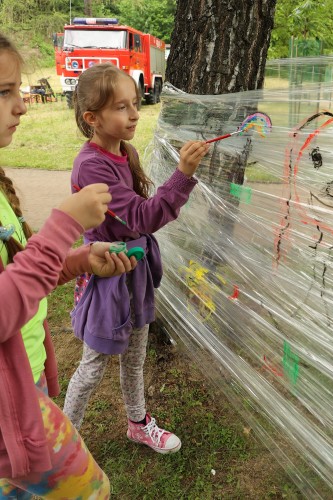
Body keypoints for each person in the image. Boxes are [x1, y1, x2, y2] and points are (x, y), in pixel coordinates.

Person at [0, 33, 137, 499]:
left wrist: (78, 260)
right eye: (4, 92)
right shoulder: (91, 163)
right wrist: (64, 225)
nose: (22, 106)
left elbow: (16, 275)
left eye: (17, 90)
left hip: (23, 382)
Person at [63, 63, 209, 454]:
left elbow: (140, 212)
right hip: (108, 275)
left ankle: (138, 423)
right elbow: (142, 217)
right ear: (93, 118)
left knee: (135, 358)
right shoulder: (92, 165)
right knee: (92, 367)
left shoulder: (123, 151)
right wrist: (183, 174)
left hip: (136, 274)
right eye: (121, 108)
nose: (134, 114)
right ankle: (63, 445)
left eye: (135, 103)